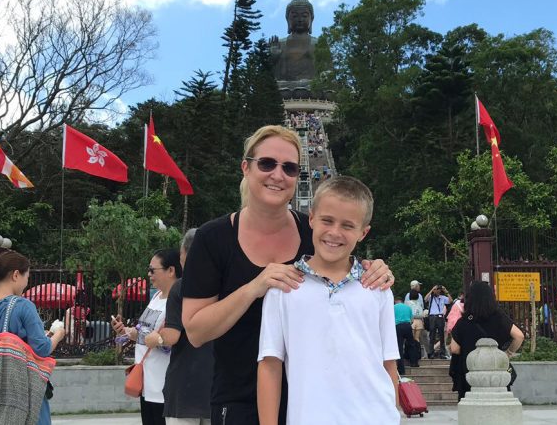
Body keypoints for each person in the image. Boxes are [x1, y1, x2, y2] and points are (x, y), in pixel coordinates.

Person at [182, 125, 394, 425]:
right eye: (267, 163)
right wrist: (255, 286)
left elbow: (347, 271)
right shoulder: (212, 239)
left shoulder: (316, 232)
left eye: (290, 168)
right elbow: (194, 331)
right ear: (246, 167)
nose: (278, 175)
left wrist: (378, 270)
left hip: (313, 401)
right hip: (239, 397)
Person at [258, 176, 399, 425]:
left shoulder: (377, 288)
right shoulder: (284, 287)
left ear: (363, 232)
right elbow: (270, 366)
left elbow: (389, 365)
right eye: (327, 220)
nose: (335, 232)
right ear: (311, 218)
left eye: (347, 225)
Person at [0, 251, 66, 425]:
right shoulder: (22, 306)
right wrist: (57, 335)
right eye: (27, 277)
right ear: (16, 275)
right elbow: (42, 349)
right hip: (18, 390)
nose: (26, 283)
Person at [114, 249, 181, 425]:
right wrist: (126, 331)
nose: (149, 274)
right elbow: (144, 330)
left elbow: (170, 339)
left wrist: (142, 335)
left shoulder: (177, 301)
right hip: (146, 382)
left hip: (163, 384)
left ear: (171, 271)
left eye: (153, 270)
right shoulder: (157, 296)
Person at [161, 229, 212, 425]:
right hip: (217, 383)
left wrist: (155, 337)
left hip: (184, 384)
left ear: (185, 253)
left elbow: (172, 336)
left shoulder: (181, 287)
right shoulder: (224, 284)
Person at [449, 281, 524, 400]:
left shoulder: (464, 321)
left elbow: (455, 349)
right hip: (495, 370)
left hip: (470, 372)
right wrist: (508, 353)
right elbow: (519, 336)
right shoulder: (498, 317)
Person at [426, 284, 452, 359]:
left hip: (440, 317)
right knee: (432, 335)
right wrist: (432, 289)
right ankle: (431, 353)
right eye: (436, 289)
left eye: (439, 289)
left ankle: (442, 353)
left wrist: (445, 291)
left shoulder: (443, 297)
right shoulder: (431, 297)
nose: (437, 291)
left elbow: (450, 300)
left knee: (441, 335)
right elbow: (425, 299)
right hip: (432, 317)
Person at [393, 298, 417, 375]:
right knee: (411, 344)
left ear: (395, 301)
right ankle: (414, 362)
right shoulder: (408, 307)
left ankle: (401, 369)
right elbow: (412, 320)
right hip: (407, 325)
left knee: (399, 347)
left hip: (398, 327)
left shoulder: (393, 307)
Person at [403, 281, 427, 359]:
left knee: (410, 339)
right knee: (417, 339)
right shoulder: (419, 298)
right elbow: (422, 309)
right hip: (419, 321)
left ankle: (410, 355)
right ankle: (418, 354)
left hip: (411, 321)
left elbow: (406, 310)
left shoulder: (407, 299)